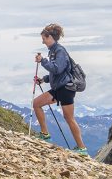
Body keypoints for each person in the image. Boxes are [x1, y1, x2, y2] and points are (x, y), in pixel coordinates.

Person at [32, 23, 89, 156]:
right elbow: (56, 73)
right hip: (58, 88)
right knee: (36, 104)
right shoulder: (53, 51)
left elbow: (58, 68)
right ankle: (45, 134)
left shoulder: (60, 51)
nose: (43, 41)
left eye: (44, 39)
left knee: (69, 118)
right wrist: (44, 79)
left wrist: (43, 61)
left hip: (66, 89)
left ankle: (82, 148)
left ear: (50, 37)